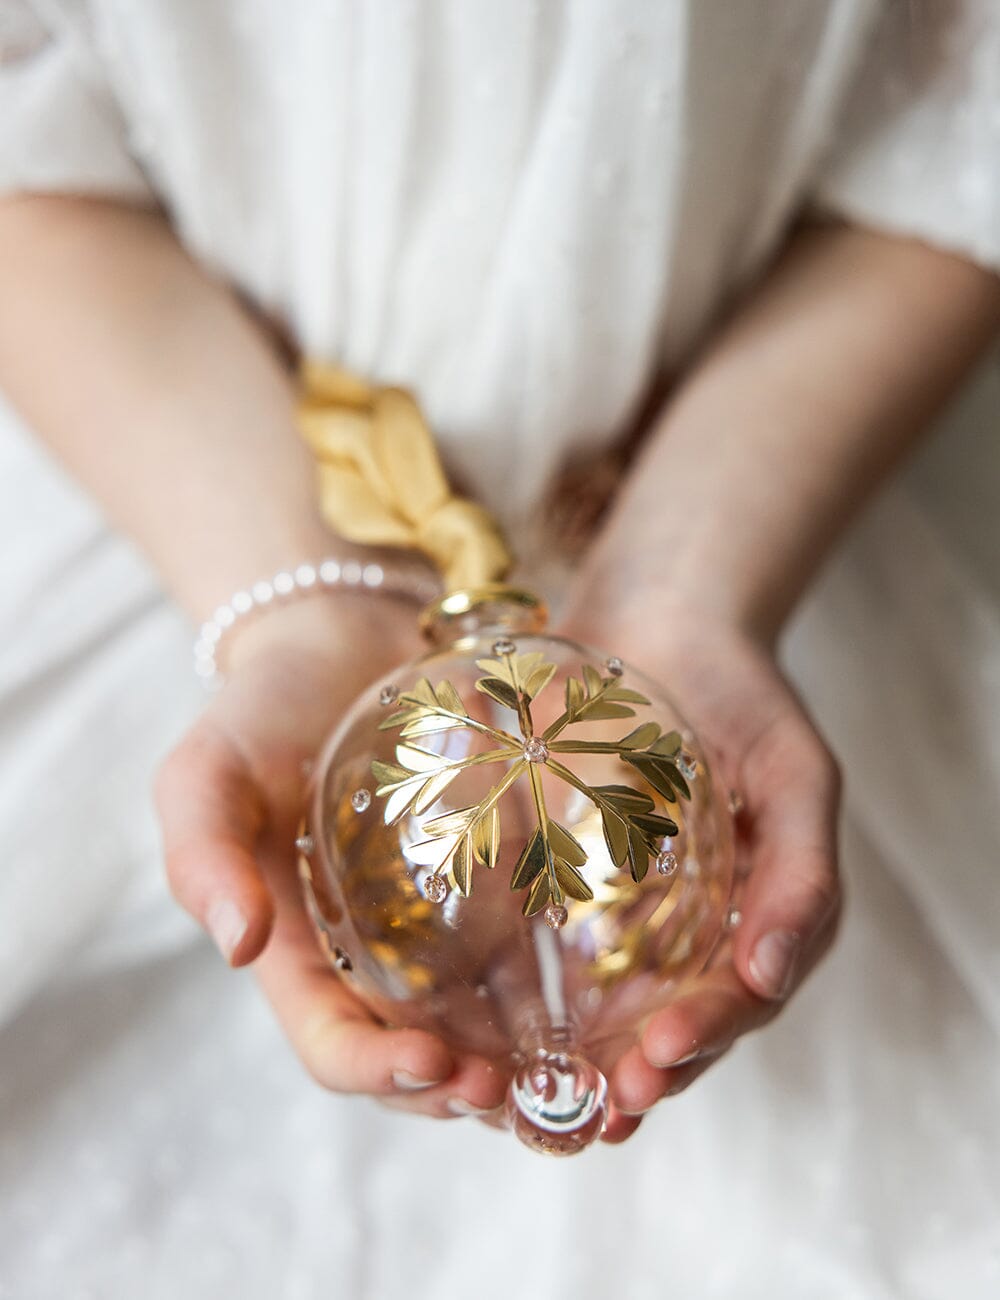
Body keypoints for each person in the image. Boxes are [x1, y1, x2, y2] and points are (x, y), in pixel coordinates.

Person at [0, 2, 998, 1295]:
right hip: (177, 474)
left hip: (779, 490)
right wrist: (288, 605)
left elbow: (964, 131)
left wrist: (690, 584)